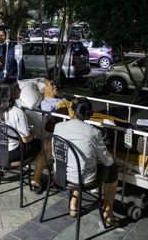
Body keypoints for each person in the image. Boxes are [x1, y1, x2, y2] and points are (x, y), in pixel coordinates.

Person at [53, 97, 118, 226]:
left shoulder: (58, 126)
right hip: (84, 180)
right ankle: (108, 212)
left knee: (79, 165)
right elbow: (108, 161)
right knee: (112, 169)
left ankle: (74, 203)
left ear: (72, 112)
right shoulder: (93, 132)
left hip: (60, 176)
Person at [0, 78, 48, 191]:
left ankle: (1, 169)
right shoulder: (17, 112)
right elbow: (26, 140)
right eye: (18, 89)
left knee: (7, 140)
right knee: (44, 145)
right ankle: (36, 179)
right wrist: (35, 135)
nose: (20, 90)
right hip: (10, 155)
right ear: (12, 92)